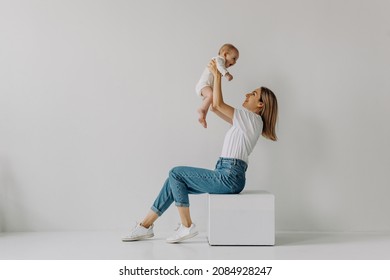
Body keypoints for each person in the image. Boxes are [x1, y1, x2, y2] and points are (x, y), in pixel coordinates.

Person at [122, 59, 278, 244]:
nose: (247, 94)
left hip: (230, 176)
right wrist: (210, 83)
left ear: (260, 105)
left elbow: (219, 104)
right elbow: (214, 107)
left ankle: (186, 225)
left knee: (176, 173)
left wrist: (218, 75)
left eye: (253, 94)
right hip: (226, 173)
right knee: (172, 182)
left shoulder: (252, 119)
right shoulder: (245, 122)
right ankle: (145, 226)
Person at [195, 43, 239, 128]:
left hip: (207, 86)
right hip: (204, 85)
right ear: (225, 54)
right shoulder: (219, 59)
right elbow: (220, 67)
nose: (234, 62)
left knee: (211, 102)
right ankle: (201, 109)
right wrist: (227, 74)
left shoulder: (220, 61)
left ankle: (203, 116)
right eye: (234, 58)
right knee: (211, 95)